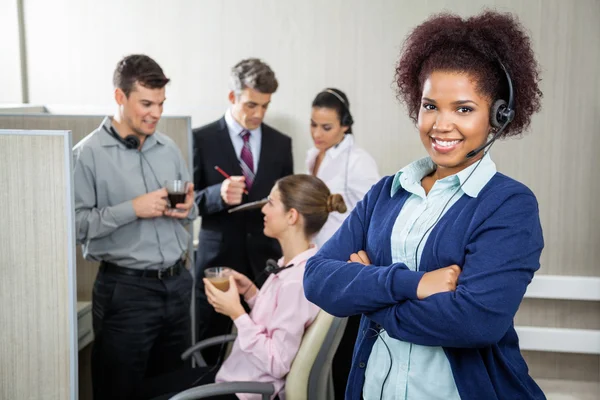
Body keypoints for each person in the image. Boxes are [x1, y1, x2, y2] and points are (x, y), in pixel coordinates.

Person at [304, 11, 545, 400]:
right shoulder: (386, 193)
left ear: (497, 117)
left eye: (463, 109)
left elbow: (473, 322)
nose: (441, 124)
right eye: (430, 105)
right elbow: (316, 279)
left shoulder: (508, 205)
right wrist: (414, 285)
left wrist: (370, 300)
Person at [143, 174, 347, 400]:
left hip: (244, 393)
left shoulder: (296, 282)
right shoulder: (289, 267)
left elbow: (277, 363)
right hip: (232, 378)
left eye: (270, 203)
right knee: (147, 389)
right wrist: (250, 291)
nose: (263, 210)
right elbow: (277, 319)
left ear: (291, 216)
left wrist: (236, 313)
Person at [73, 54, 198, 400]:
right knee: (120, 391)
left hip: (176, 286)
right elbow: (76, 227)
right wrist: (133, 209)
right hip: (126, 293)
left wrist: (189, 208)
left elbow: (190, 209)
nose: (156, 113)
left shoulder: (169, 147)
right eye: (146, 103)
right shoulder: (87, 155)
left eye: (160, 103)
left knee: (176, 388)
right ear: (119, 97)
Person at [193, 58, 293, 360]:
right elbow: (188, 203)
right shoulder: (200, 138)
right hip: (217, 264)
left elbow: (285, 202)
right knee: (207, 353)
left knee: (265, 355)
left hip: (266, 266)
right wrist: (216, 194)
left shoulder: (280, 143)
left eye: (265, 106)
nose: (258, 114)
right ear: (232, 97)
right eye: (251, 105)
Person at [305, 88, 379, 397]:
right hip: (317, 260)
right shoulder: (312, 156)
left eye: (326, 127)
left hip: (344, 265)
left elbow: (375, 218)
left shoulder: (359, 162)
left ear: (345, 125)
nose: (317, 134)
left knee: (343, 351)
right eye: (313, 124)